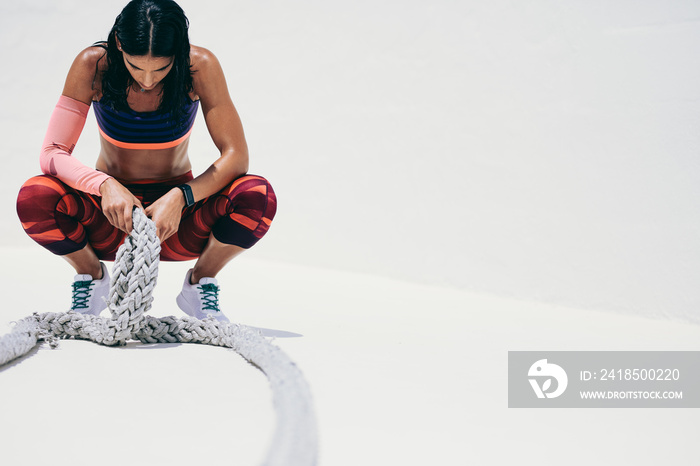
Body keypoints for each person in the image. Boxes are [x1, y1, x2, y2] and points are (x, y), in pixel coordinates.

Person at [16, 0, 277, 323]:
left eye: (162, 68)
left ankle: (200, 283)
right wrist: (105, 185)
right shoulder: (93, 65)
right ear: (119, 45)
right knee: (35, 195)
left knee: (256, 194)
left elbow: (236, 157)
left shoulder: (200, 66)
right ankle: (92, 276)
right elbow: (52, 152)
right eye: (136, 67)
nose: (148, 80)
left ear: (179, 52)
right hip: (112, 219)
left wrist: (183, 197)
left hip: (173, 224)